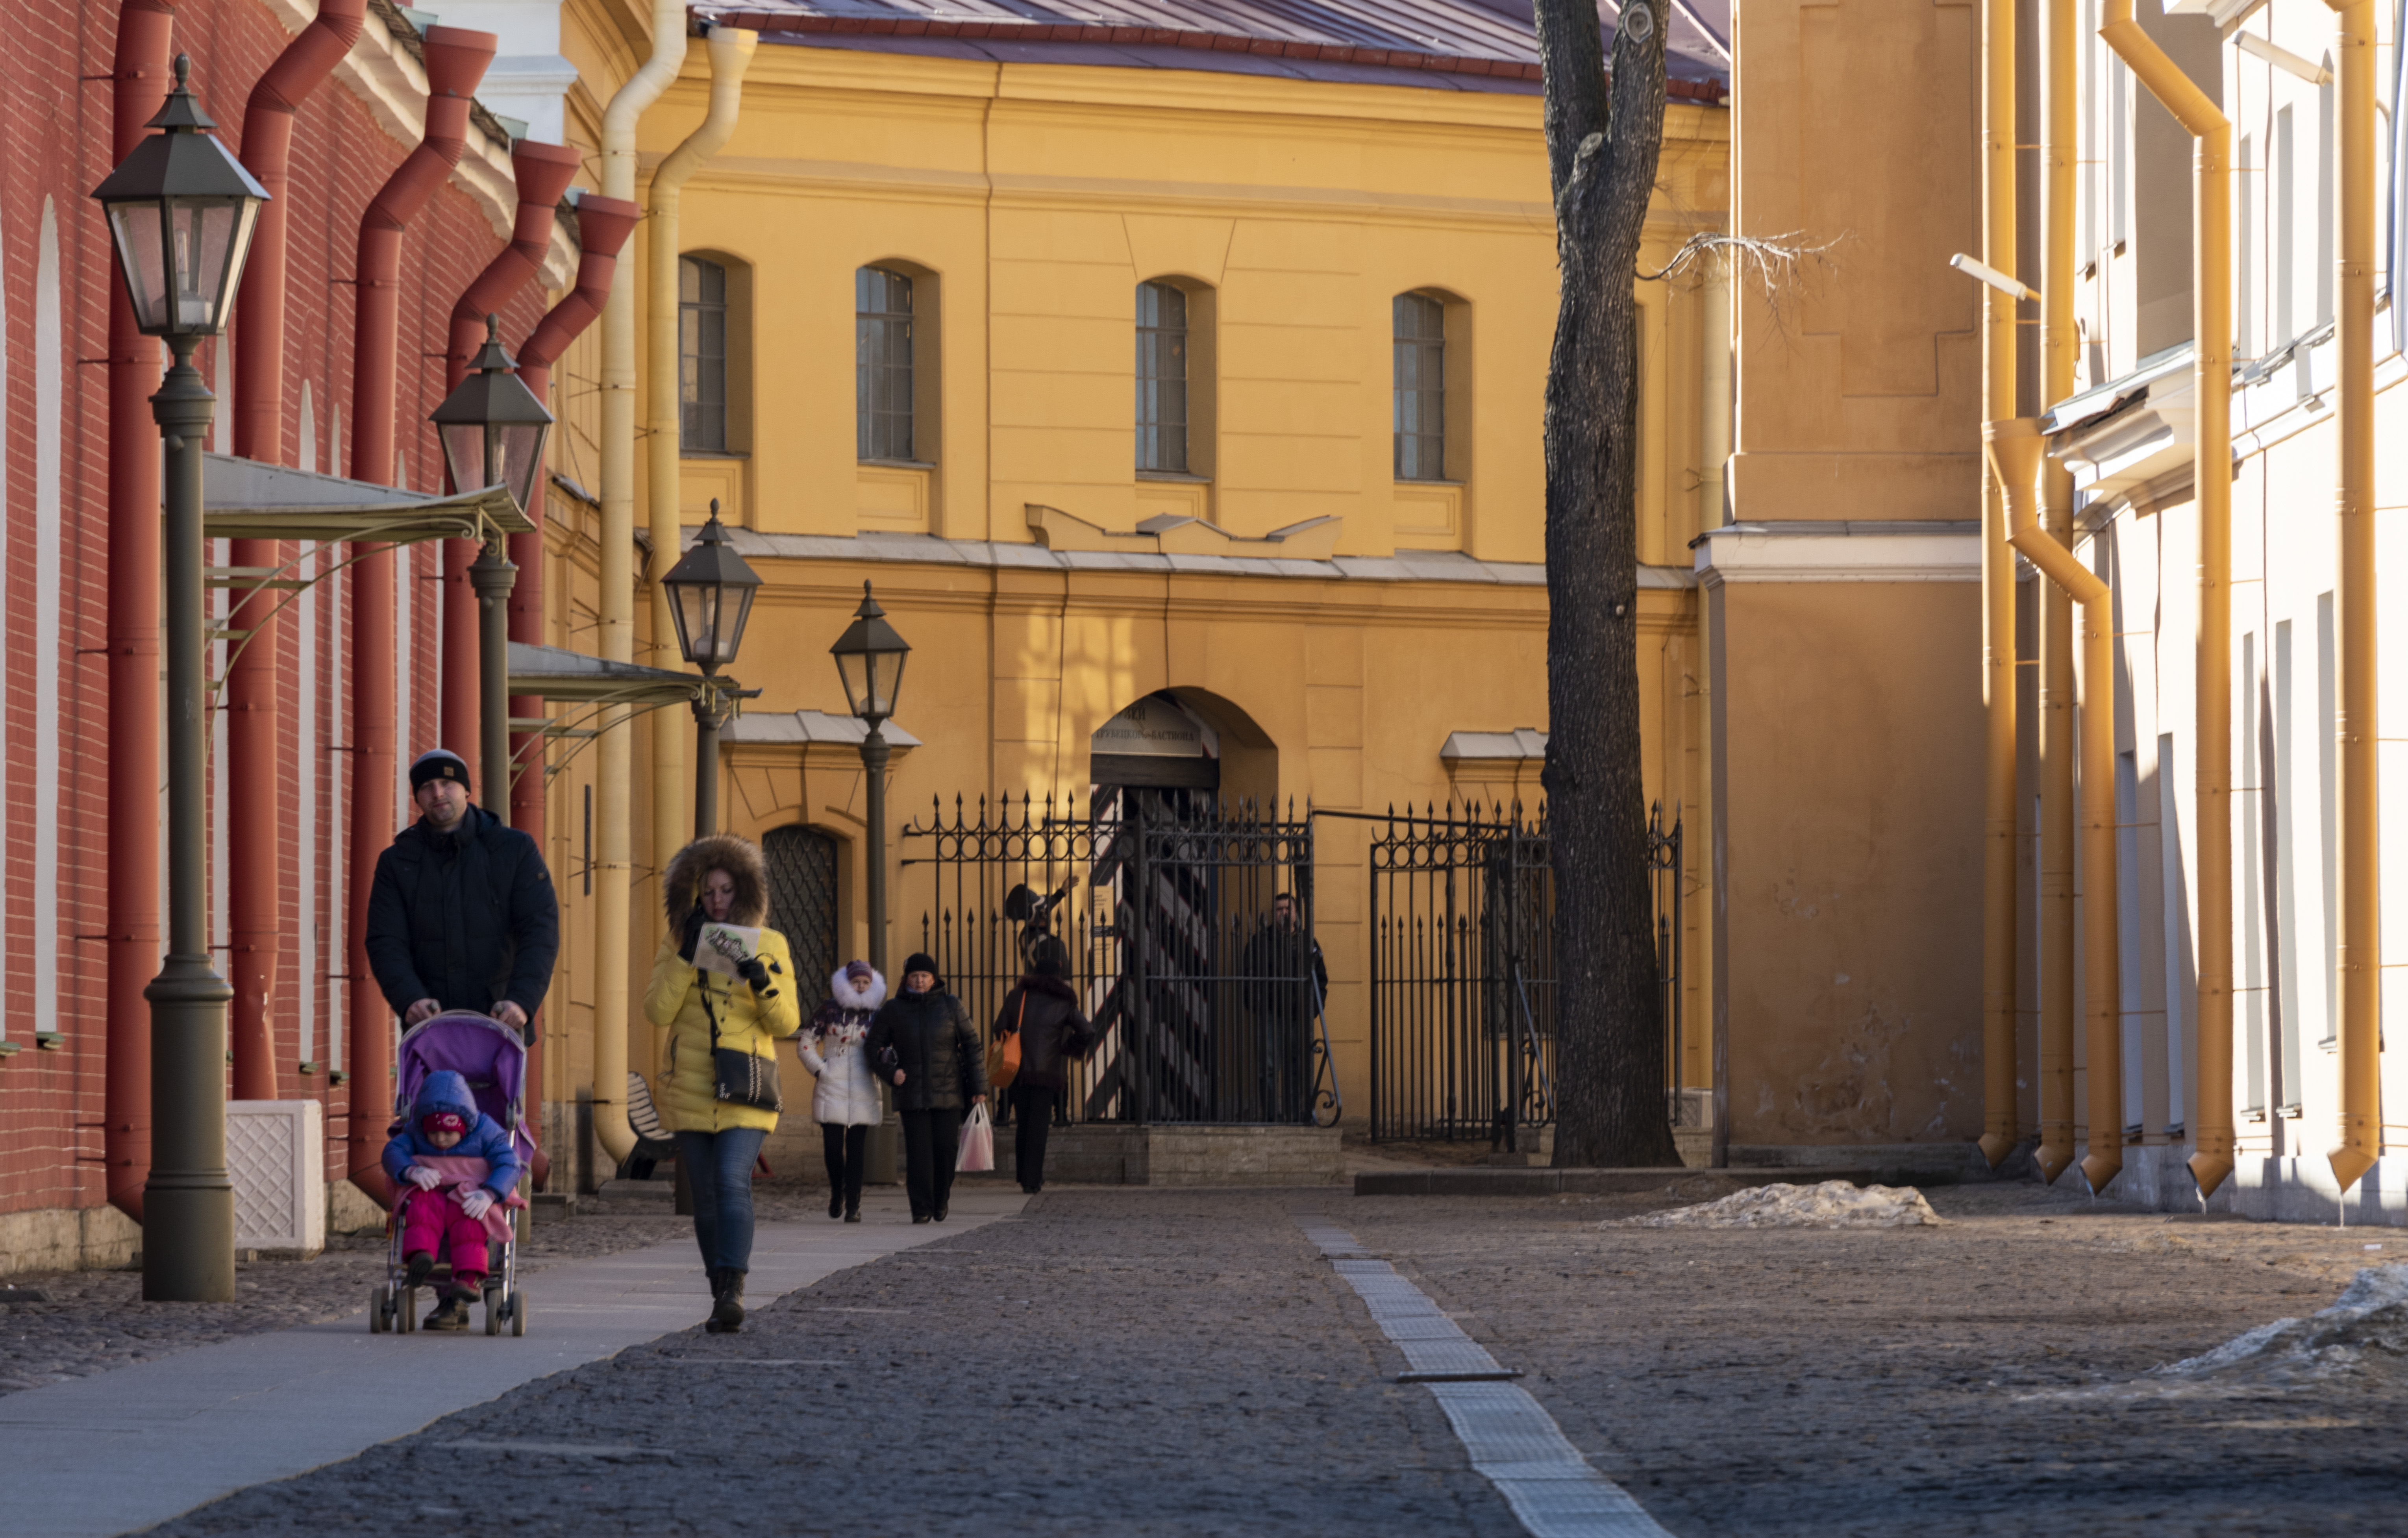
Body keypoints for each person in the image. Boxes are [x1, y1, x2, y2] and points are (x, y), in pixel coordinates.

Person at [644, 833, 802, 1333]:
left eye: (726, 890)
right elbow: (657, 1010)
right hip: (691, 1085)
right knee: (706, 1195)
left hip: (746, 1085)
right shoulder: (676, 942)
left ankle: (734, 1286)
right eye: (708, 891)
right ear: (695, 894)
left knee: (732, 1181)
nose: (716, 899)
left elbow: (785, 1022)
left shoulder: (771, 943)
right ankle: (719, 1292)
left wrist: (761, 980)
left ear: (744, 891)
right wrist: (688, 956)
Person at [365, 748, 561, 1035]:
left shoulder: (514, 850)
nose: (438, 792)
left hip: (501, 1025)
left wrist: (521, 1001)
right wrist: (410, 999)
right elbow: (386, 940)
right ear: (417, 798)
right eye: (426, 787)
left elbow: (540, 930)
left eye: (447, 783)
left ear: (467, 789)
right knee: (439, 1085)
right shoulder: (398, 862)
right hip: (430, 1029)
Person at [381, 1068, 523, 1331]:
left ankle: (467, 1278)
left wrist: (490, 1192)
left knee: (470, 1223)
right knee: (421, 1209)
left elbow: (508, 1162)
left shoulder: (485, 1130)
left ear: (464, 1125)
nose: (440, 1139)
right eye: (433, 1134)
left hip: (470, 1195)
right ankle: (420, 1255)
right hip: (432, 1188)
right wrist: (412, 1170)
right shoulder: (415, 1131)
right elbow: (394, 1151)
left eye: (448, 1133)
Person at [865, 952, 985, 1224]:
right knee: (919, 1154)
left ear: (934, 979)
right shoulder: (893, 1009)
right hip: (912, 1092)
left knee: (945, 1150)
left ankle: (941, 1198)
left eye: (925, 976)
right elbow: (873, 1047)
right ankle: (921, 1208)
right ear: (907, 978)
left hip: (949, 1090)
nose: (920, 981)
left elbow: (971, 1046)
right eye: (915, 976)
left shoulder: (951, 1005)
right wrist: (891, 1072)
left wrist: (979, 1086)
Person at [992, 936, 1094, 1195]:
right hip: (1048, 1073)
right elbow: (1088, 1031)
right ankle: (1032, 1179)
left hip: (1017, 1071)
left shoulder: (1017, 996)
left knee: (1022, 1123)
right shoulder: (1064, 1002)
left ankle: (1022, 1174)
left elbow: (998, 1027)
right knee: (1039, 1125)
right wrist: (1067, 1048)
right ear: (1058, 976)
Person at [801, 960, 886, 1223]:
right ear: (846, 983)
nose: (860, 987)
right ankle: (837, 1191)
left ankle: (854, 1203)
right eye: (856, 982)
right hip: (832, 1081)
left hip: (863, 1082)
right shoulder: (829, 1008)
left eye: (865, 983)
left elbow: (886, 1044)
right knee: (833, 1147)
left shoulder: (877, 1013)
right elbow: (807, 1040)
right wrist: (820, 1069)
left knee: (857, 1147)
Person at [1240, 890, 1327, 1118]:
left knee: (1296, 1068)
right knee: (1268, 1068)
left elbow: (1321, 978)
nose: (1284, 913)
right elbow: (1248, 979)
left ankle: (1293, 1115)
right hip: (1271, 1015)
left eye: (1288, 909)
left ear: (1296, 912)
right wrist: (1260, 1005)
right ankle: (1270, 1116)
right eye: (1279, 910)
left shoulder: (1308, 942)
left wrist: (1314, 1010)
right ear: (1274, 914)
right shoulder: (1261, 942)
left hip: (1299, 1017)